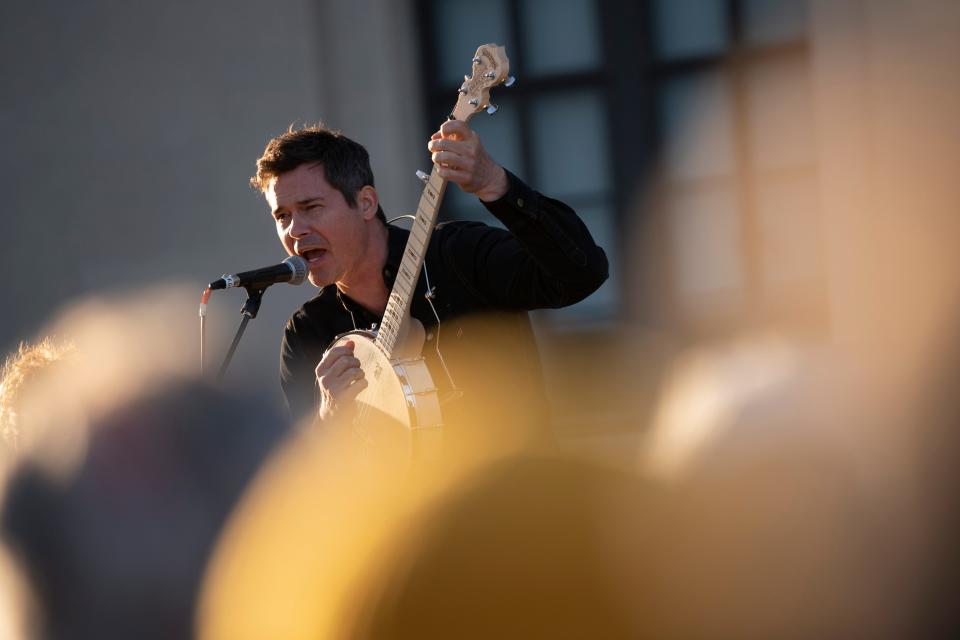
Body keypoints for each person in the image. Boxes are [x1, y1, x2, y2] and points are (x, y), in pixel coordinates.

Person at [251, 120, 608, 436]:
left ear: (366, 203)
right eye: (281, 215)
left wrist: (494, 183)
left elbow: (582, 273)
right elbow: (304, 489)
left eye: (311, 208)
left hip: (520, 504)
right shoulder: (308, 332)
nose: (295, 229)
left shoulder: (456, 255)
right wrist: (327, 419)